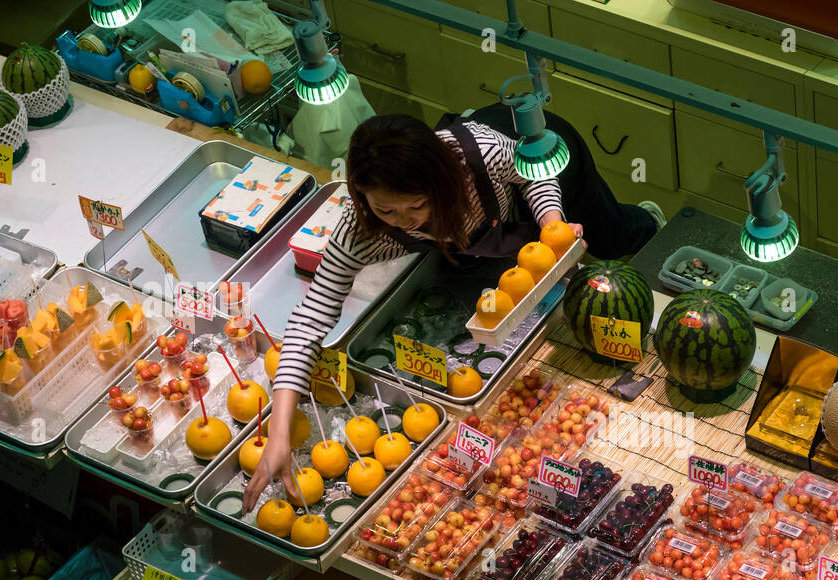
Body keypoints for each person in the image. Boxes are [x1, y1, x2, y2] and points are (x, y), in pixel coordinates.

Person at [242, 110, 664, 511]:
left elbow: (535, 177)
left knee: (610, 233)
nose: (403, 222)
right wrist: (279, 431)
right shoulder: (360, 228)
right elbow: (311, 316)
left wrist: (554, 227)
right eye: (384, 209)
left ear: (441, 184)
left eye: (416, 206)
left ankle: (647, 221)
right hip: (479, 238)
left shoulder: (483, 152)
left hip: (540, 153)